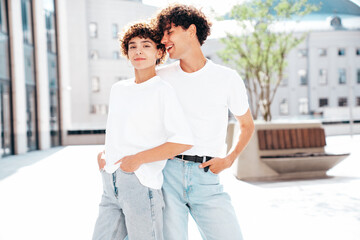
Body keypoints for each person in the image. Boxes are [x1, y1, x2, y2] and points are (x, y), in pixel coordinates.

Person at [154, 4, 255, 240]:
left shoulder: (226, 78)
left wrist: (229, 159)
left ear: (190, 31)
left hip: (206, 176)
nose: (163, 39)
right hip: (167, 174)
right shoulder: (160, 77)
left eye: (169, 32)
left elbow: (247, 124)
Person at [92, 22, 194, 240]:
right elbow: (118, 131)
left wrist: (136, 161)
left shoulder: (162, 91)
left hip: (141, 184)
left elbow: (183, 141)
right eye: (132, 46)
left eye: (146, 45)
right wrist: (104, 157)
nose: (138, 51)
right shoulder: (118, 89)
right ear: (126, 53)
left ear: (159, 52)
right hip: (110, 183)